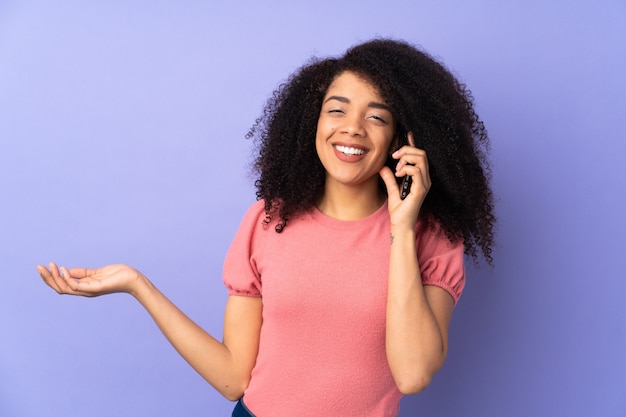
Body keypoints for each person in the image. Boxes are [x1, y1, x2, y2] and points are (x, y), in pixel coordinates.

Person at [38, 38, 495, 417]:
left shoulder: (430, 237)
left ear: (401, 139)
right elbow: (234, 377)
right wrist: (137, 284)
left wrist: (401, 229)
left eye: (376, 116)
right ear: (311, 123)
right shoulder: (268, 221)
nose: (352, 128)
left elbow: (413, 375)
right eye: (337, 110)